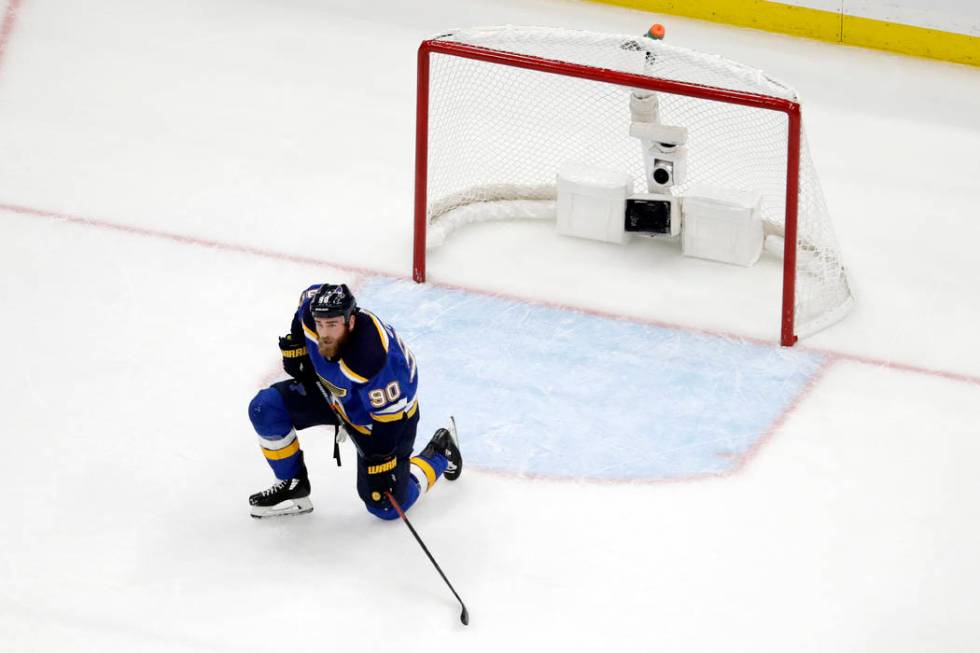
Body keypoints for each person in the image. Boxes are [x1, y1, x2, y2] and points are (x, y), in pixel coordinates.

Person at [246, 282, 461, 519]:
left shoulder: (373, 361)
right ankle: (292, 484)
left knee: (386, 506)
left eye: (332, 325)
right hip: (336, 395)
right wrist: (297, 345)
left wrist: (380, 462)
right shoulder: (312, 311)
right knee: (265, 408)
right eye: (320, 324)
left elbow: (390, 423)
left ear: (351, 321)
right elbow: (303, 313)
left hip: (382, 419)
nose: (324, 334)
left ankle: (441, 452)